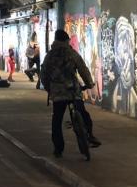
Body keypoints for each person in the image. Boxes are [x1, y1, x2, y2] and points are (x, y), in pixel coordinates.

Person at [40, 29, 102, 159]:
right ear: (67, 40)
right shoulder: (71, 53)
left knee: (57, 119)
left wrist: (49, 88)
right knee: (83, 113)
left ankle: (58, 149)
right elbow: (82, 69)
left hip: (58, 94)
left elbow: (44, 74)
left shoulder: (50, 56)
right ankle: (89, 135)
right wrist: (89, 83)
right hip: (73, 91)